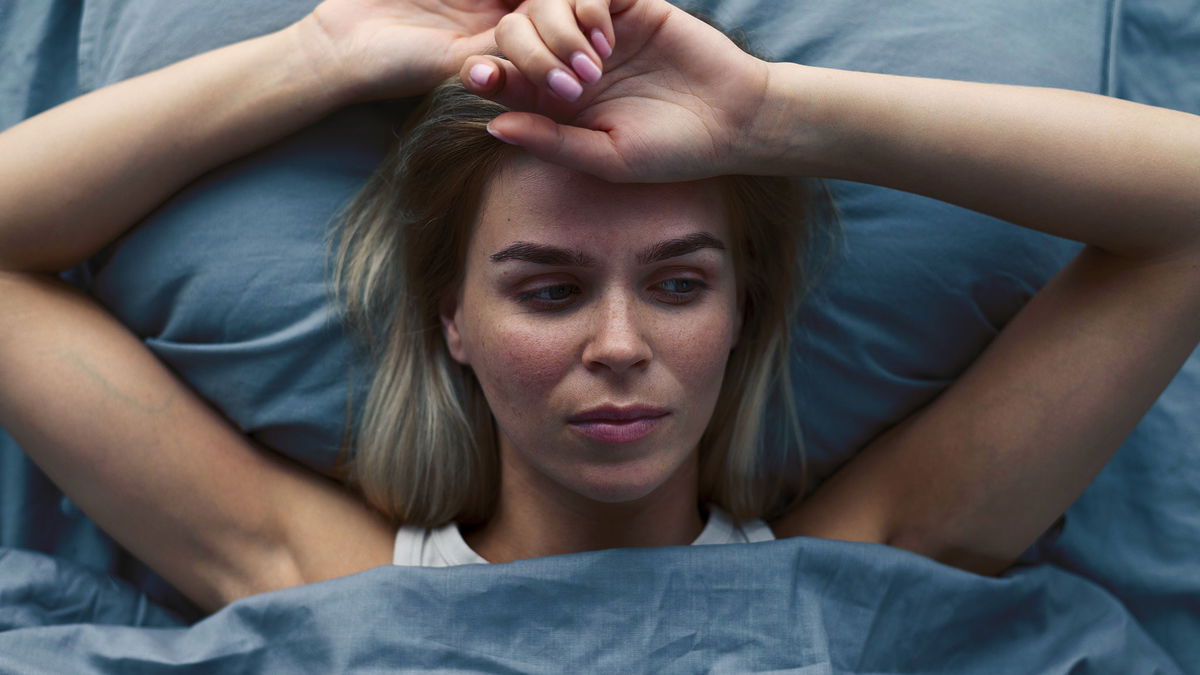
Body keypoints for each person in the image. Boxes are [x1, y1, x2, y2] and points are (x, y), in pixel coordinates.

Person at [1, 0, 1197, 615]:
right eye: (548, 289)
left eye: (681, 284)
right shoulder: (318, 582)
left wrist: (774, 119)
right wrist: (325, 51)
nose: (619, 348)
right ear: (451, 322)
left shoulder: (868, 564)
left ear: (742, 314)